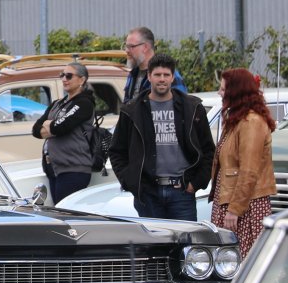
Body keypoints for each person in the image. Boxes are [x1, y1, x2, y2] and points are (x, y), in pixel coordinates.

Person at [108, 52, 215, 221]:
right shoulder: (132, 110)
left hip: (182, 192)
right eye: (157, 75)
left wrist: (196, 183)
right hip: (148, 193)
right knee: (154, 239)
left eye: (166, 75)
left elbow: (208, 150)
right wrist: (131, 181)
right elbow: (117, 151)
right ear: (149, 76)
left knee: (185, 238)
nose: (162, 79)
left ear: (172, 78)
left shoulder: (192, 107)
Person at [210, 68, 276, 258]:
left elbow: (249, 171)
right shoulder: (237, 119)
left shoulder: (251, 122)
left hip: (246, 206)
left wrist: (235, 210)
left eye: (223, 89)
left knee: (243, 261)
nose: (219, 93)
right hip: (232, 201)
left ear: (236, 92)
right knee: (228, 261)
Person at [31, 61, 98, 203]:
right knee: (57, 210)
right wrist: (53, 126)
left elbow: (59, 128)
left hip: (74, 169)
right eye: (62, 75)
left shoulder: (84, 103)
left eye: (69, 76)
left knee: (65, 212)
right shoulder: (57, 103)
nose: (64, 79)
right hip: (53, 169)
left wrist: (50, 124)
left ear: (82, 80)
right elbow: (36, 130)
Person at [123, 27, 187, 102]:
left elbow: (181, 105)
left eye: (131, 46)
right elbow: (126, 105)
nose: (127, 50)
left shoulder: (169, 76)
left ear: (145, 47)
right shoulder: (132, 75)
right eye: (126, 46)